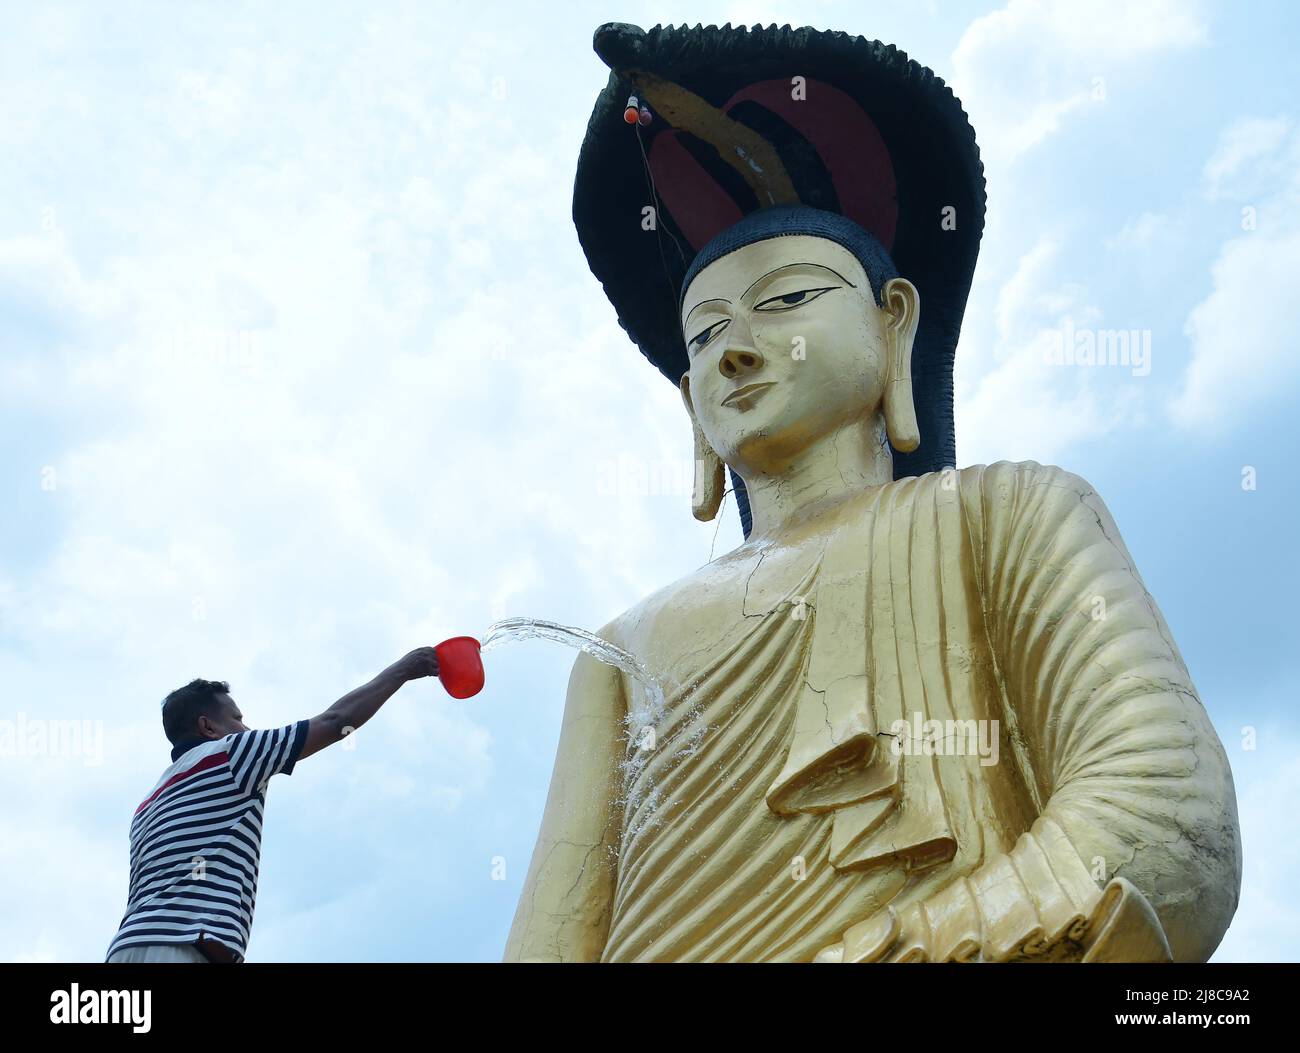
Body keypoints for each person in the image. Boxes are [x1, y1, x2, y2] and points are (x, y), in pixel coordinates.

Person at [503, 23, 1241, 963]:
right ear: (691, 402)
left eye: (784, 301)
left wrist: (904, 940)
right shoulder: (615, 653)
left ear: (892, 326)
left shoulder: (1005, 513)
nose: (735, 347)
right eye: (705, 333)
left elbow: (1163, 807)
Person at [106, 647, 439, 963]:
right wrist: (406, 669)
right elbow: (337, 721)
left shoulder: (149, 803)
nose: (246, 728)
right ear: (208, 726)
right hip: (181, 947)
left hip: (126, 947)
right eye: (237, 718)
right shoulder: (231, 754)